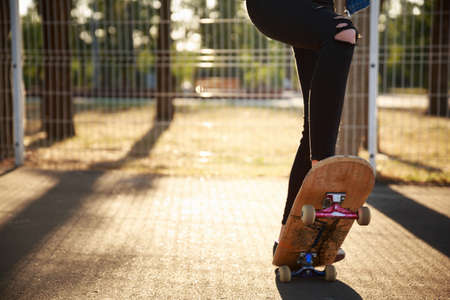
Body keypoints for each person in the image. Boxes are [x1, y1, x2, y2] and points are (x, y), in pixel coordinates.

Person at [246, 0, 361, 261]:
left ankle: (290, 238)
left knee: (313, 126)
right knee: (342, 32)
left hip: (317, 7)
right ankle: (322, 164)